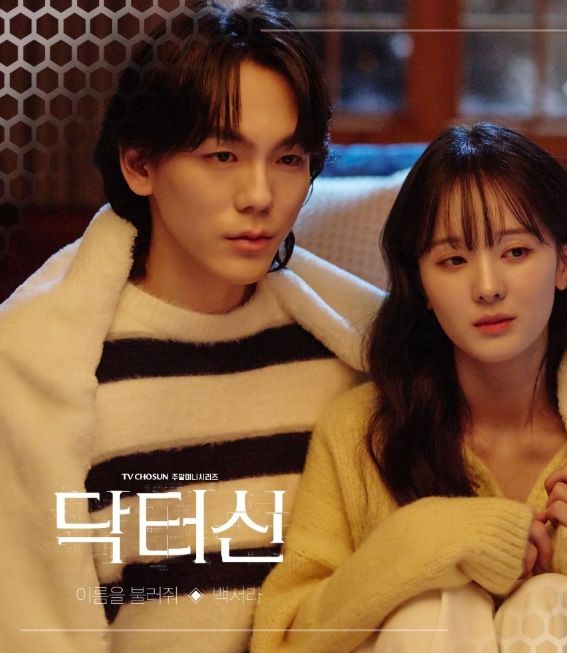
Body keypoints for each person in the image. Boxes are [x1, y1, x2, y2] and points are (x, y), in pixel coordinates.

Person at [0, 3, 382, 653]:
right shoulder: (48, 370)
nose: (259, 195)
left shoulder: (347, 354)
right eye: (222, 155)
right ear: (139, 165)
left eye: (289, 159)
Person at [252, 123, 567, 652]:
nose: (487, 287)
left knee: (550, 600)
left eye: (515, 252)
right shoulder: (361, 432)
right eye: (453, 260)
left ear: (565, 261)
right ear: (421, 285)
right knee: (434, 604)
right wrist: (421, 540)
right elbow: (283, 641)